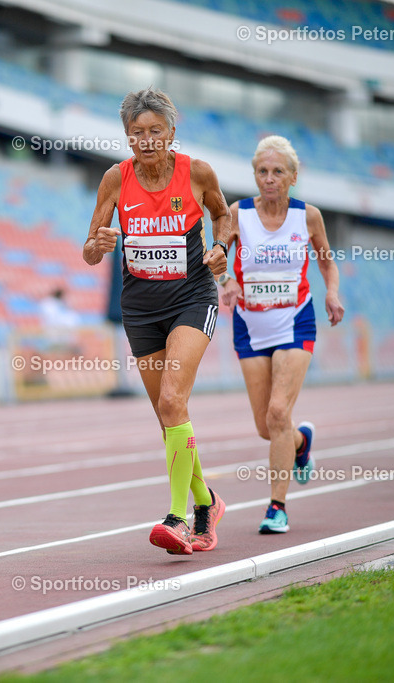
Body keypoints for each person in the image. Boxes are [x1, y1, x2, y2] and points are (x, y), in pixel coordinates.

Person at [83, 87, 230, 555]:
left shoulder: (197, 172)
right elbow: (89, 251)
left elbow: (223, 216)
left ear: (171, 133)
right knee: (169, 418)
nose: (146, 140)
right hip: (141, 307)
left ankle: (177, 518)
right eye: (137, 132)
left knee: (171, 400)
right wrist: (98, 245)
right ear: (127, 136)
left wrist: (220, 247)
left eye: (155, 131)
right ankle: (207, 502)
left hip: (192, 297)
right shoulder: (115, 179)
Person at [219, 135, 345, 534]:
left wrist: (332, 294)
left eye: (277, 172)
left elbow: (326, 263)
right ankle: (300, 443)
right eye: (262, 171)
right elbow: (215, 256)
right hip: (250, 325)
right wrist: (225, 279)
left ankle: (277, 507)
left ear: (293, 176)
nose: (269, 178)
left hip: (295, 321)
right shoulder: (237, 213)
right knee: (266, 427)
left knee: (277, 413)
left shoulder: (308, 217)